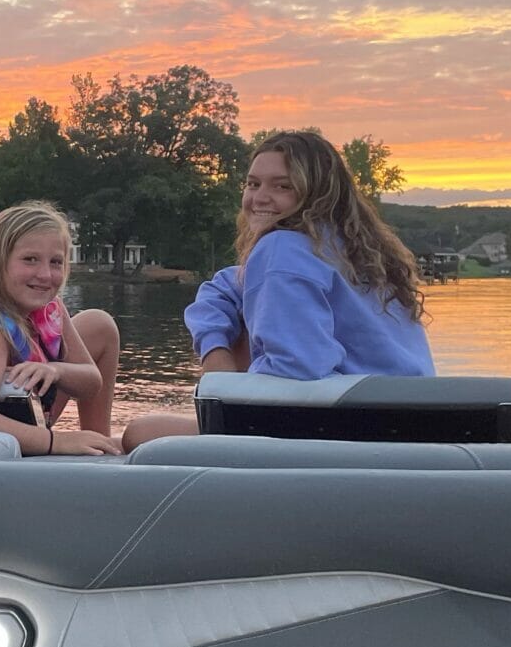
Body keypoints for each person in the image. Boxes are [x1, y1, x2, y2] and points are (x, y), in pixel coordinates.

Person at [121, 131, 433, 450]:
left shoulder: (281, 248)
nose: (259, 197)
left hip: (347, 428)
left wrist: (225, 392)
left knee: (139, 434)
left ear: (317, 194)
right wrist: (216, 352)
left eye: (283, 186)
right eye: (253, 184)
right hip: (415, 419)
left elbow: (297, 369)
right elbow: (224, 287)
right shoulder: (359, 252)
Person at [0, 202, 122, 456]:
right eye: (30, 260)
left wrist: (56, 369)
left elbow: (92, 382)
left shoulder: (51, 310)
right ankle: (88, 448)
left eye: (56, 262)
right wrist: (56, 442)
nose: (45, 274)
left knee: (98, 324)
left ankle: (98, 444)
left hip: (31, 411)